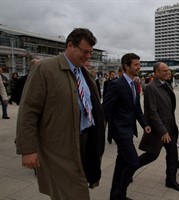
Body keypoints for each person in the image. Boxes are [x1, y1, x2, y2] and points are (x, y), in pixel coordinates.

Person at [15, 28, 106, 200]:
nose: (88, 57)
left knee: (70, 189)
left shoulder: (84, 73)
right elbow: (28, 110)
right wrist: (27, 149)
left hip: (86, 141)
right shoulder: (44, 69)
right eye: (84, 52)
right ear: (70, 46)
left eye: (90, 53)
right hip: (59, 148)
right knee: (75, 192)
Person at [102, 53, 151, 200]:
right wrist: (100, 131)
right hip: (120, 131)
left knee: (121, 162)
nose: (139, 67)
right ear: (126, 66)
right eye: (136, 64)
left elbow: (136, 108)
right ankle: (119, 194)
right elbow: (105, 109)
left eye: (139, 64)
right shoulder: (116, 84)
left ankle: (115, 194)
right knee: (133, 162)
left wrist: (144, 124)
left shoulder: (135, 84)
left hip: (129, 130)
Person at [136, 62, 179, 192]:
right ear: (157, 73)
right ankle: (128, 169)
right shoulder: (151, 88)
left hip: (170, 128)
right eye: (164, 71)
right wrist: (163, 131)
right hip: (160, 130)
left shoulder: (166, 85)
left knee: (172, 154)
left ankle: (171, 180)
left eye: (168, 70)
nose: (168, 73)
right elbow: (152, 112)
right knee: (151, 156)